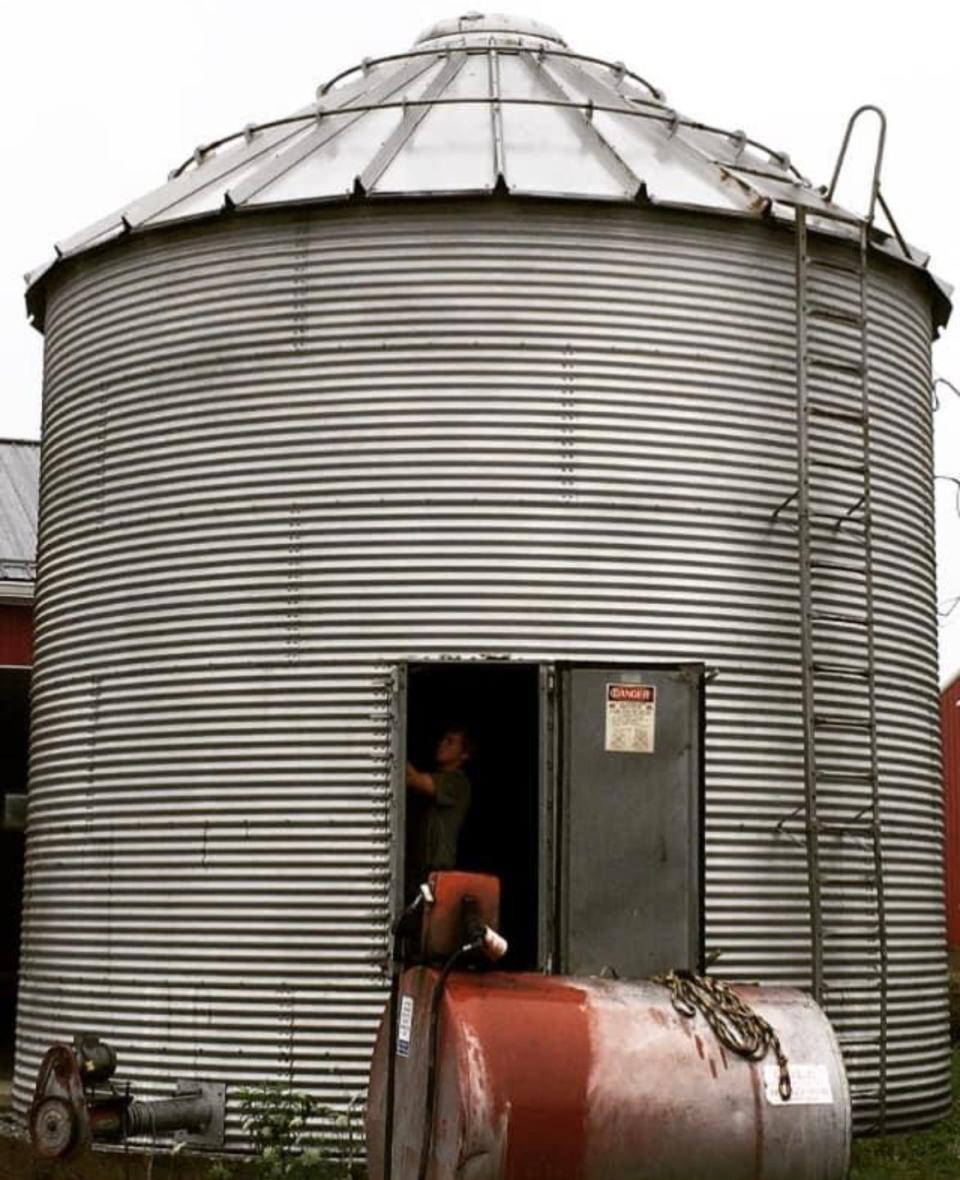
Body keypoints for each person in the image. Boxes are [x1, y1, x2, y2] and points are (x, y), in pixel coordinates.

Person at [406, 726, 473, 886]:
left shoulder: (457, 782)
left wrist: (394, 750)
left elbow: (415, 780)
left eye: (450, 742)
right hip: (418, 870)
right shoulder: (439, 777)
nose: (441, 744)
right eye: (443, 739)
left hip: (437, 872)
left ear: (464, 754)